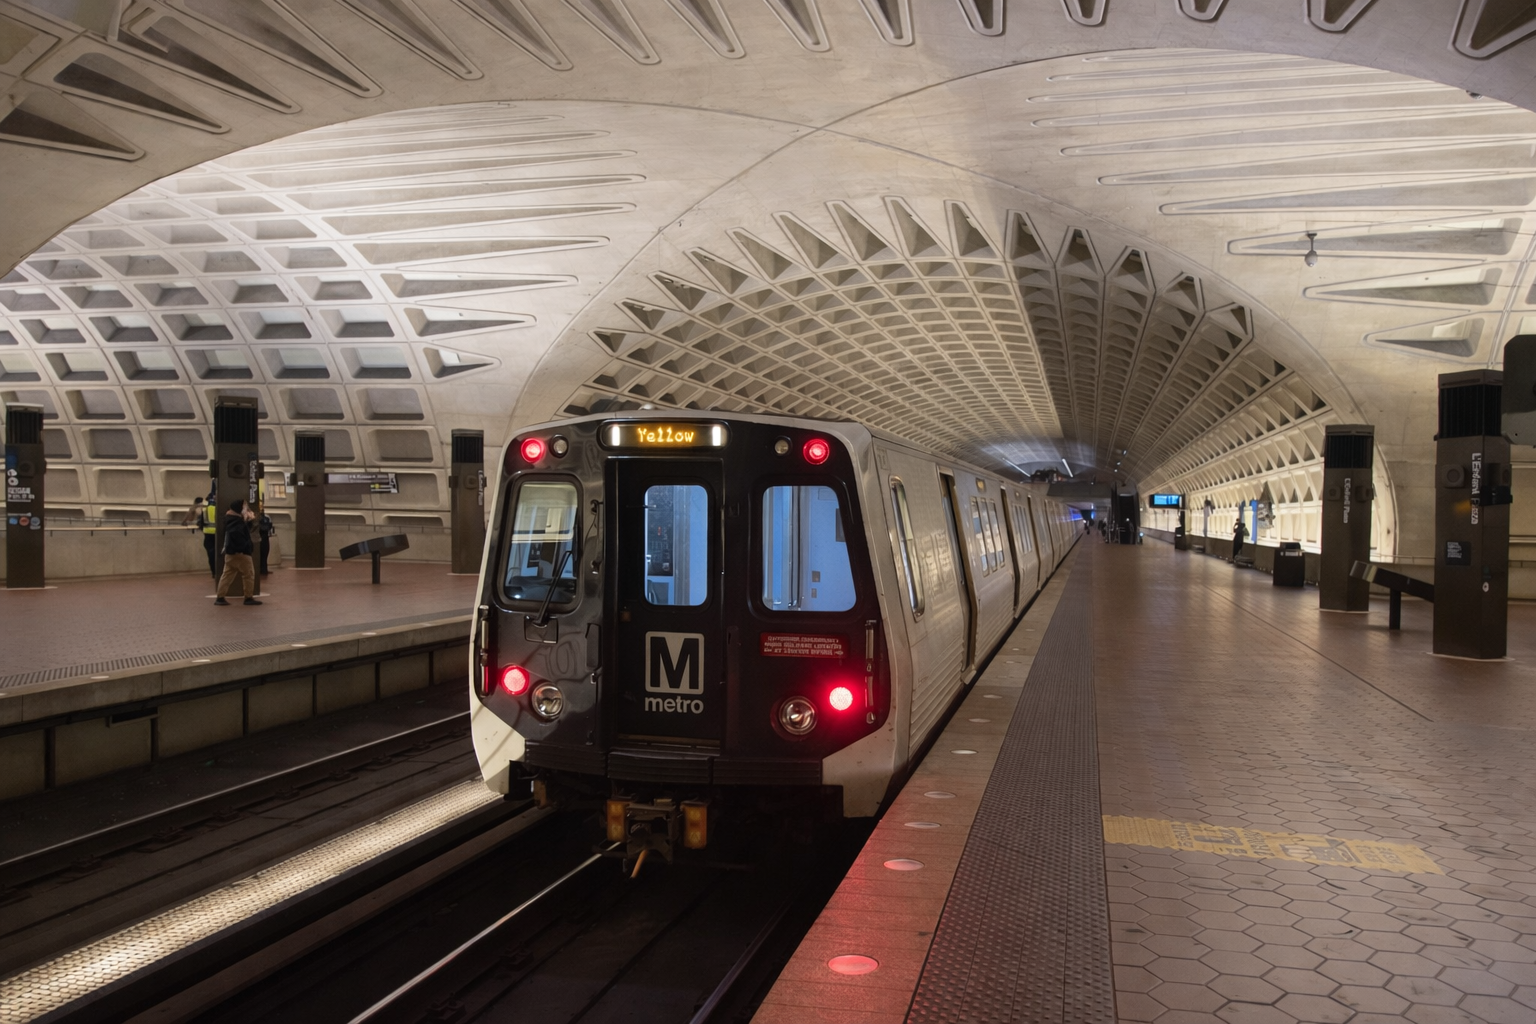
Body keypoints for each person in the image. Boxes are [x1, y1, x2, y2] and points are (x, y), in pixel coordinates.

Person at [215, 499, 262, 606]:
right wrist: (245, 548)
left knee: (227, 575)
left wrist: (248, 521)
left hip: (230, 553)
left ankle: (220, 597)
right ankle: (248, 597)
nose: (246, 509)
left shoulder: (230, 519)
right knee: (249, 574)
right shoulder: (236, 522)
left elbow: (242, 530)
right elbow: (239, 534)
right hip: (241, 553)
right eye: (244, 507)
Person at [257, 508, 274, 575]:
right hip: (263, 537)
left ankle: (264, 569)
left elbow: (269, 526)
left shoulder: (266, 517)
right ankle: (262, 569)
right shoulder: (265, 518)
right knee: (263, 554)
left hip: (264, 537)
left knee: (264, 554)